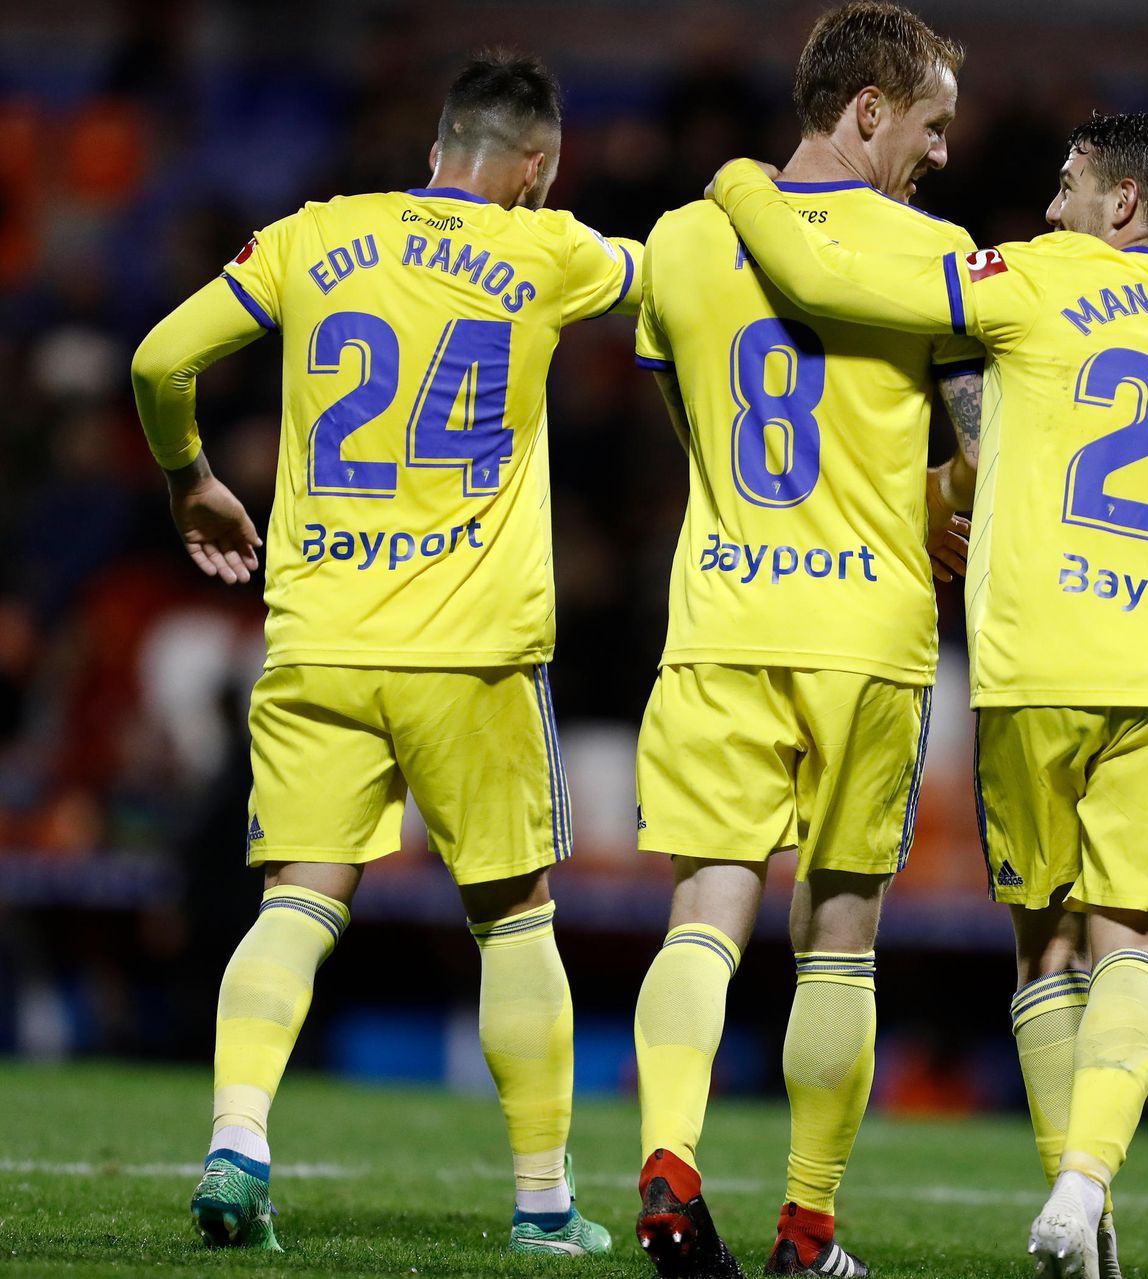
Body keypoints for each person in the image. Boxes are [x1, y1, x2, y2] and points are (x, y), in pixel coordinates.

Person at [709, 110, 1148, 1279]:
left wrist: (740, 185)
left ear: (1123, 203)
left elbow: (827, 278)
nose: (1051, 204)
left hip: (1036, 660)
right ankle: (1085, 1186)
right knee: (1138, 944)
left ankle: (1079, 1196)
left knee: (1044, 948)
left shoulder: (1035, 277)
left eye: (1069, 185)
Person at [129, 50, 642, 1259]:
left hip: (320, 641)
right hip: (473, 655)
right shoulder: (550, 249)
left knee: (298, 904)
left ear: (434, 149)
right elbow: (678, 274)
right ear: (538, 167)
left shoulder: (312, 234)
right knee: (515, 920)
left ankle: (237, 1142)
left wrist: (190, 479)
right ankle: (542, 1204)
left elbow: (156, 361)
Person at [628, 5, 979, 1276]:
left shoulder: (680, 240)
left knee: (702, 915)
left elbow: (694, 431)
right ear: (869, 110)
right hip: (865, 632)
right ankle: (807, 1229)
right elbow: (981, 460)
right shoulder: (938, 255)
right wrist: (931, 502)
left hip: (723, 613)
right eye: (931, 124)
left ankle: (668, 1166)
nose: (941, 153)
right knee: (839, 934)